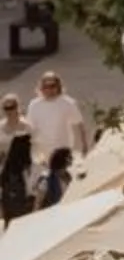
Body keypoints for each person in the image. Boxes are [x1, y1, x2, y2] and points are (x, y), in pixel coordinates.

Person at [25, 68, 88, 209]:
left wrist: (84, 145)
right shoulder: (34, 105)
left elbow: (79, 124)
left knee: (65, 184)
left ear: (58, 86)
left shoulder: (67, 103)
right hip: (42, 155)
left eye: (53, 86)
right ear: (41, 87)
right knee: (41, 189)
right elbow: (29, 129)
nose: (49, 89)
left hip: (62, 153)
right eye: (46, 86)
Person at [0, 98, 30, 224]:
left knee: (21, 203)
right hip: (5, 169)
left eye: (12, 107)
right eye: (6, 108)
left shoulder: (26, 126)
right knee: (6, 203)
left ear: (17, 107)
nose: (9, 111)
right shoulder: (1, 126)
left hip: (21, 170)